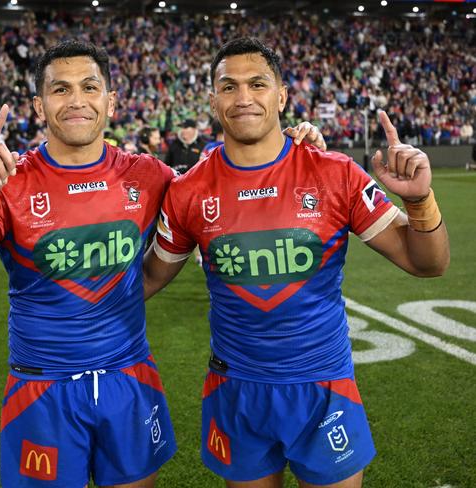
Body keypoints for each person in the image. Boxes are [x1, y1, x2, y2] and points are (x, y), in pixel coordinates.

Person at [143, 37, 449, 488]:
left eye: (258, 84)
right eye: (228, 87)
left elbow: (428, 264)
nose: (243, 97)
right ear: (212, 99)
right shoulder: (188, 191)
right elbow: (150, 276)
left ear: (282, 95)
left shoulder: (335, 172)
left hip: (323, 385)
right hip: (237, 386)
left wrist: (420, 200)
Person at [0, 40, 178, 488]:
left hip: (129, 379)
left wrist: (292, 146)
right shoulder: (9, 184)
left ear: (111, 101)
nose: (76, 100)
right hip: (42, 390)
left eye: (90, 87)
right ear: (40, 105)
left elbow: (224, 191)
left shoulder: (148, 175)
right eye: (61, 89)